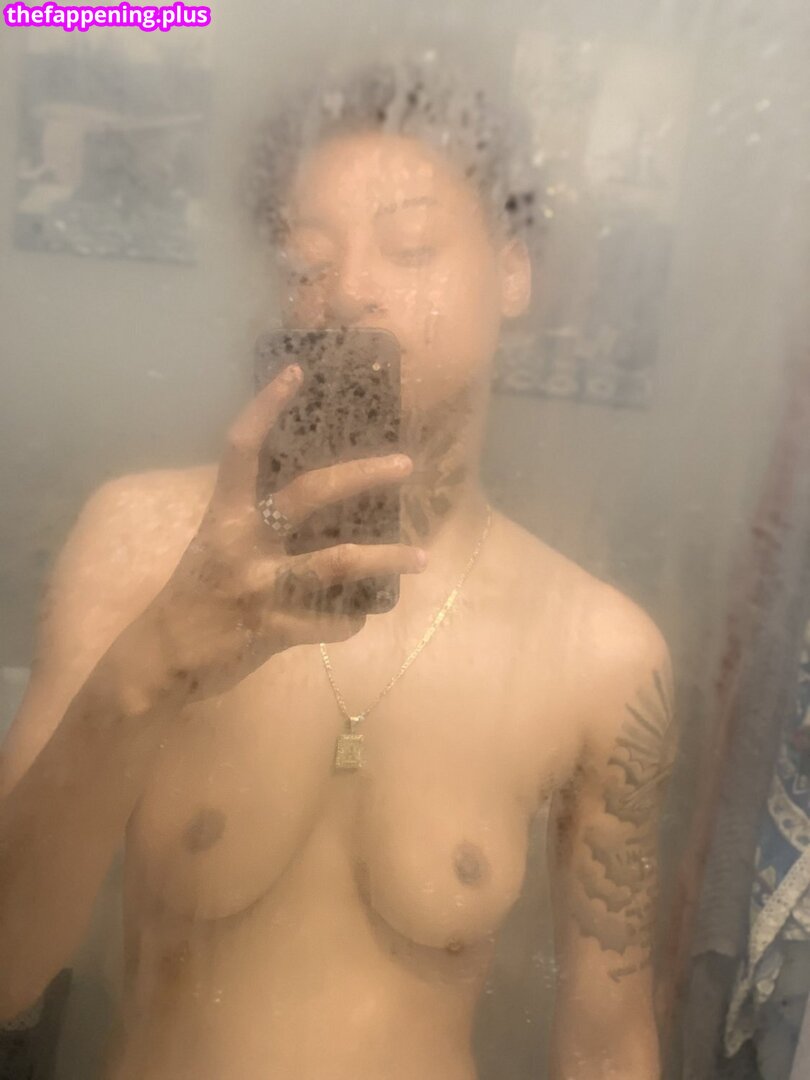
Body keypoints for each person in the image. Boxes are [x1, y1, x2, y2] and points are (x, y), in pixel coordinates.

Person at [0, 55, 676, 1080]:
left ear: (511, 272)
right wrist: (147, 672)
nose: (349, 292)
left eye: (409, 246)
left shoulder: (601, 652)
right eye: (308, 260)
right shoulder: (140, 546)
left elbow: (606, 1040)